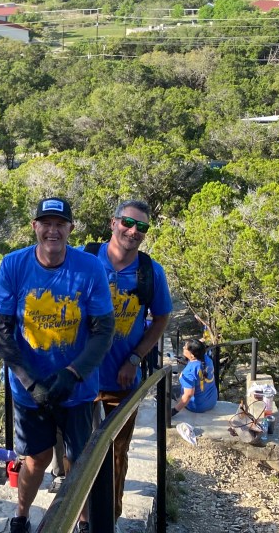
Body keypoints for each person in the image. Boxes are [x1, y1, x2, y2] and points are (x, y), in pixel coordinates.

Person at [0, 197, 114, 533]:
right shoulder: (13, 266)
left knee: (79, 459)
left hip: (77, 387)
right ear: (35, 227)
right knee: (36, 458)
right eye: (46, 223)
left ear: (70, 229)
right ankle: (21, 514)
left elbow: (104, 330)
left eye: (60, 224)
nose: (52, 230)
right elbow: (1, 331)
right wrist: (30, 382)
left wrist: (73, 373)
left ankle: (83, 521)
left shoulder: (90, 269)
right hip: (28, 387)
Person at [92, 199, 173, 522]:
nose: (133, 231)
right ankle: (84, 518)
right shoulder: (86, 259)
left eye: (141, 227)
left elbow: (162, 317)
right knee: (78, 453)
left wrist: (136, 358)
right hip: (80, 378)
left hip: (122, 381)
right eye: (127, 223)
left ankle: (108, 518)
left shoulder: (150, 272)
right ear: (113, 223)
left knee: (116, 453)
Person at [171, 339, 217, 416]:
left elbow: (188, 395)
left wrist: (174, 411)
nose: (183, 348)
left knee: (170, 390)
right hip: (212, 401)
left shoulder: (188, 372)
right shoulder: (208, 359)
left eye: (185, 347)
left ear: (192, 355)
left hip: (197, 406)